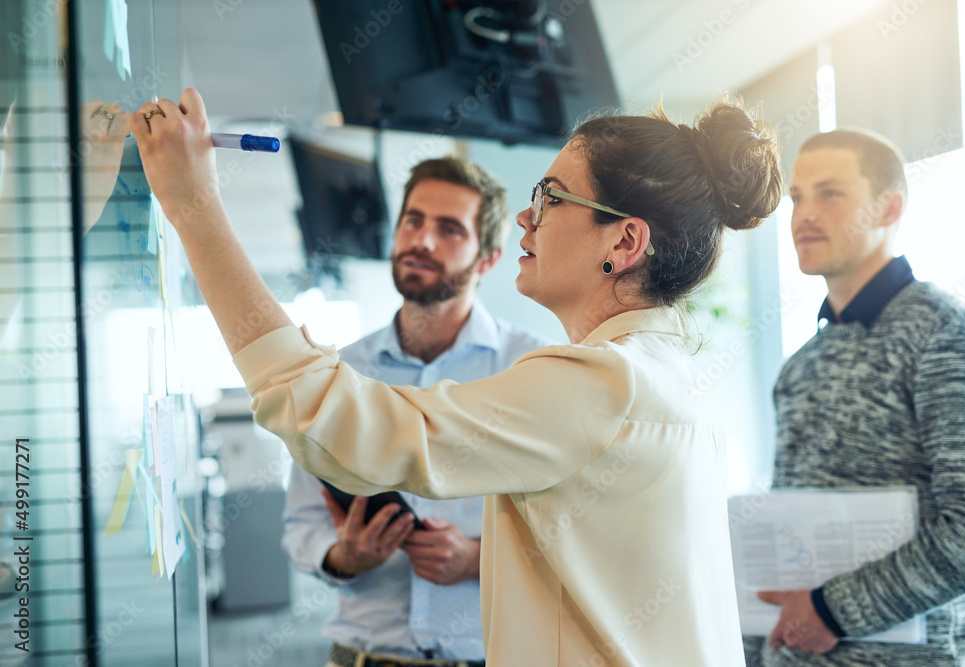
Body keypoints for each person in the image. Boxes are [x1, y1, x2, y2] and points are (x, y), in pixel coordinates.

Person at [129, 88, 782, 666]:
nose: (529, 216)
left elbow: (330, 426)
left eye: (550, 196)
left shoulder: (600, 384)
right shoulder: (670, 375)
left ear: (624, 244)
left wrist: (194, 205)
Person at [281, 156, 552, 667]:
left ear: (488, 258)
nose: (422, 241)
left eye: (449, 229)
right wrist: (343, 557)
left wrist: (480, 560)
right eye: (413, 221)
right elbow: (301, 523)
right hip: (363, 656)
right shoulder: (342, 375)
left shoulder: (532, 371)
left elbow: (574, 529)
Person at [744, 129, 965, 666]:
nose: (803, 215)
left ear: (889, 208)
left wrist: (834, 612)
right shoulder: (801, 364)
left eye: (830, 193)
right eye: (797, 197)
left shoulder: (950, 336)